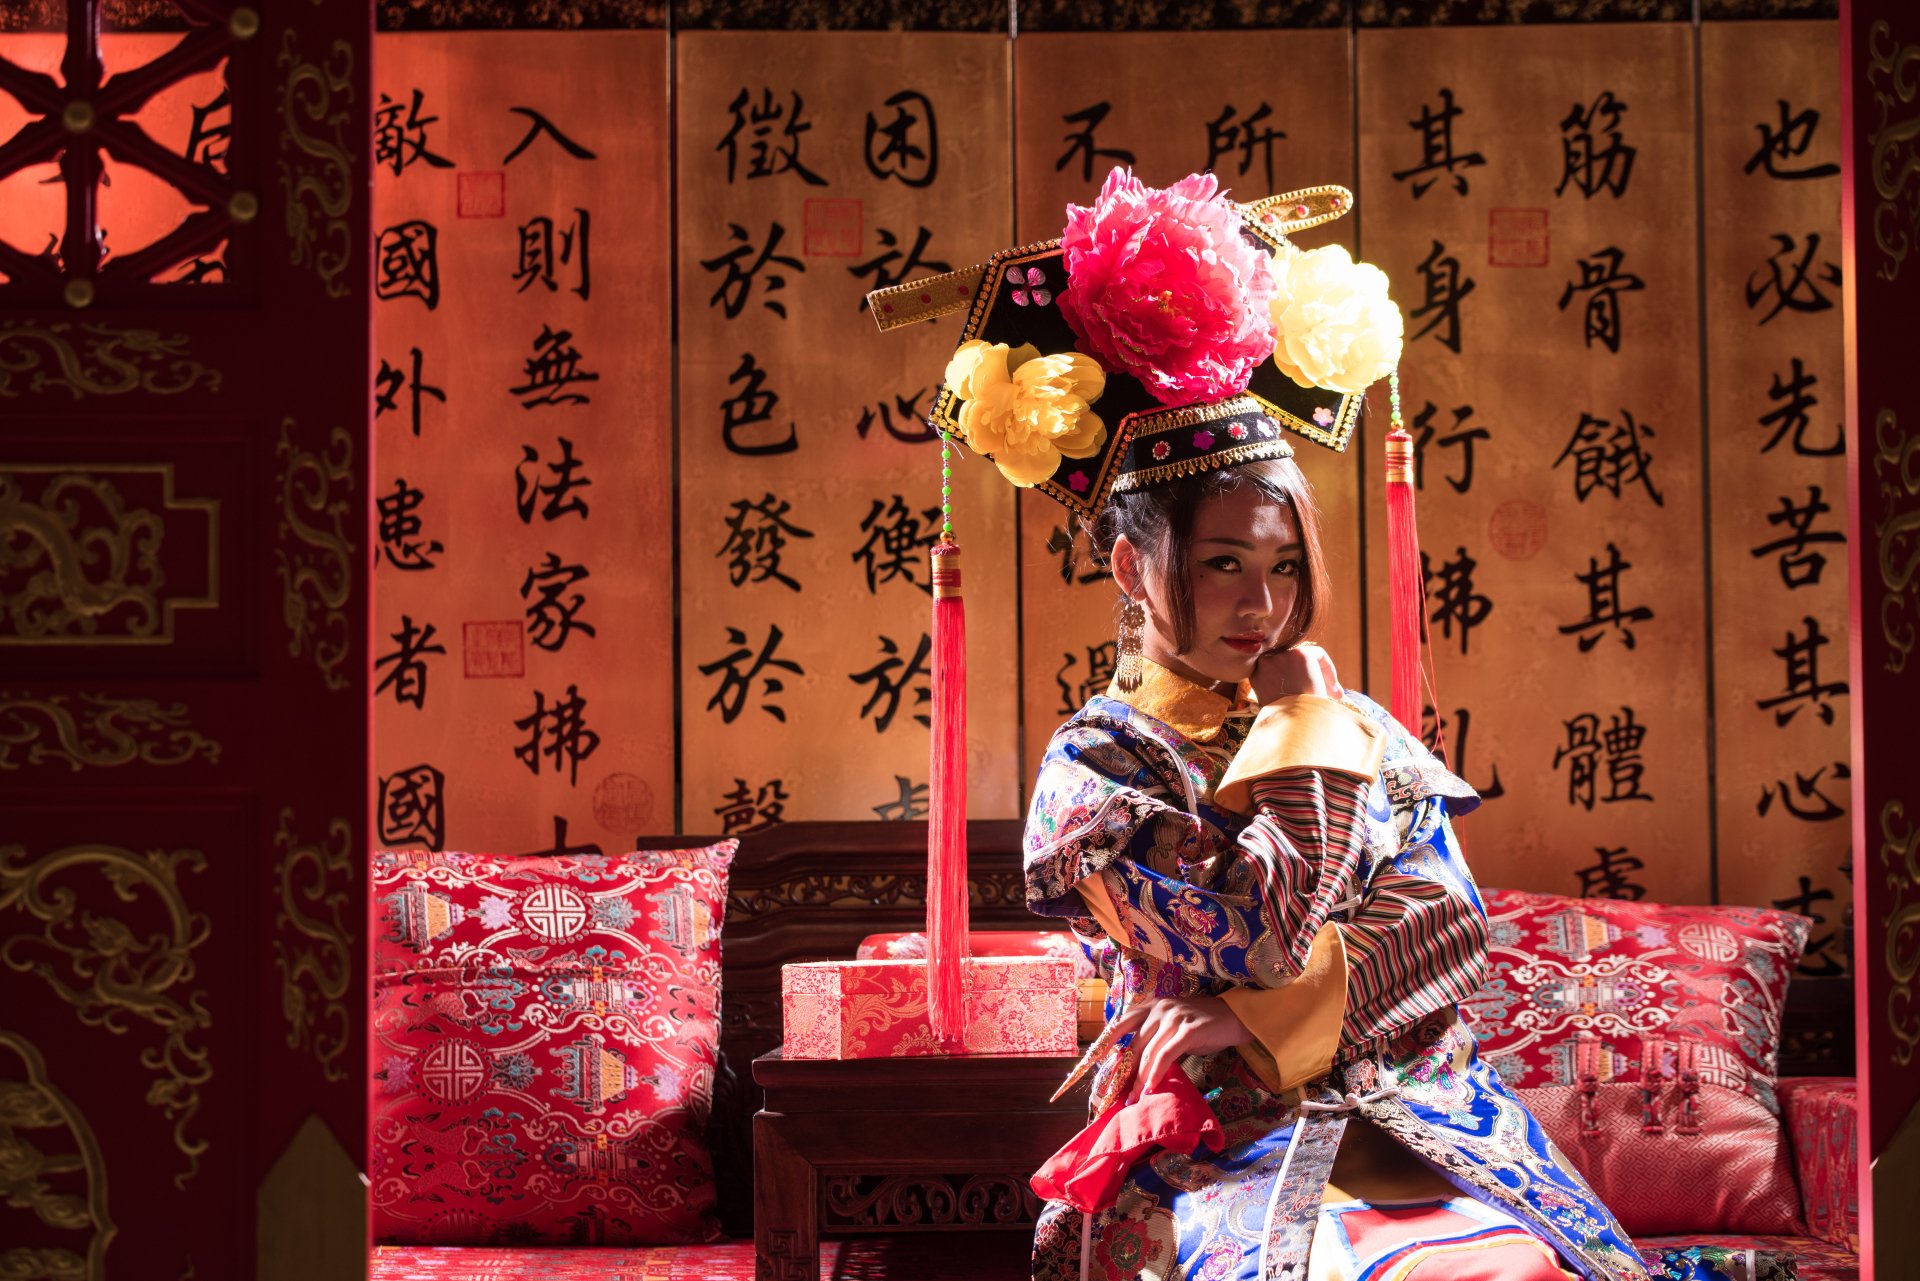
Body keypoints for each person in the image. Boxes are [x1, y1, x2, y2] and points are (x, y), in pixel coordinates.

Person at [868, 167, 1769, 1281]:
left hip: (1423, 1120)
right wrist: (1299, 721)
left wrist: (1253, 1018)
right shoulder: (1099, 768)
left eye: (1284, 565)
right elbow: (1256, 928)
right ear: (1132, 568)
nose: (1263, 604)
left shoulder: (1353, 725)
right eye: (1223, 565)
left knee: (1528, 1272)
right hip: (1217, 1142)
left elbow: (1446, 922)